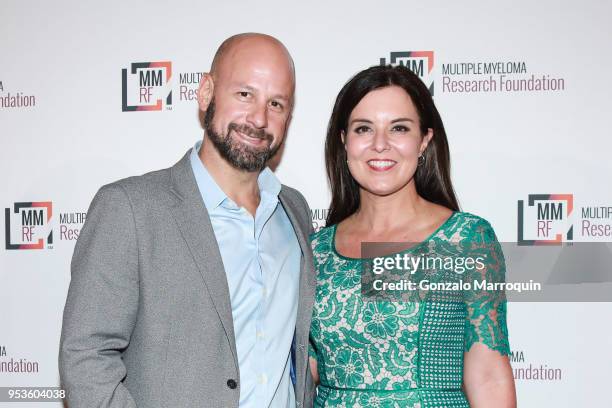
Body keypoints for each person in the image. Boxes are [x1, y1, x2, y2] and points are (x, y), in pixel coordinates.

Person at [59, 33, 316, 408]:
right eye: (245, 94)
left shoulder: (294, 211)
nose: (259, 118)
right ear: (206, 92)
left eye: (276, 103)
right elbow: (86, 356)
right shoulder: (130, 208)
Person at [308, 65, 516, 407]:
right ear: (345, 142)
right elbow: (305, 369)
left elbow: (489, 374)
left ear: (424, 141)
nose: (380, 145)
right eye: (364, 129)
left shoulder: (465, 239)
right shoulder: (316, 251)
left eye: (399, 128)